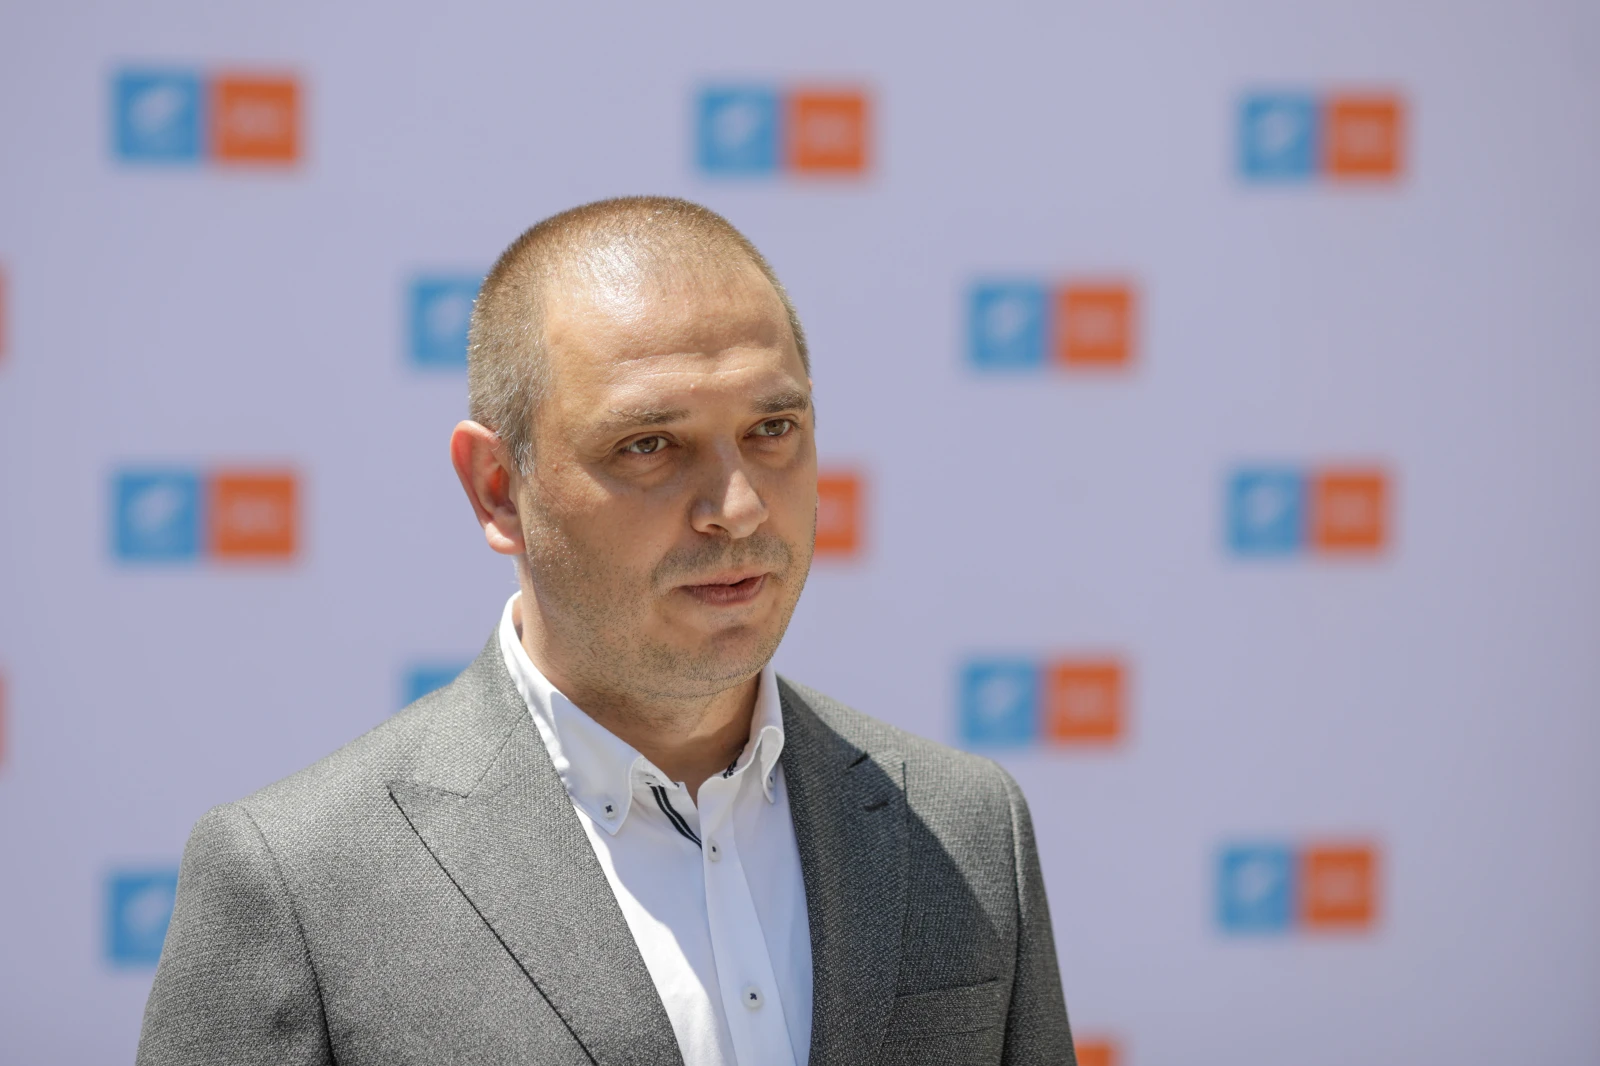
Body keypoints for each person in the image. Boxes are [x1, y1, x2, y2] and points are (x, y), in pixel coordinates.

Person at [136, 196, 1076, 1065]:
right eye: (649, 445)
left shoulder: (965, 826)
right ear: (499, 489)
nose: (739, 507)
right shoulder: (297, 882)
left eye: (773, 427)